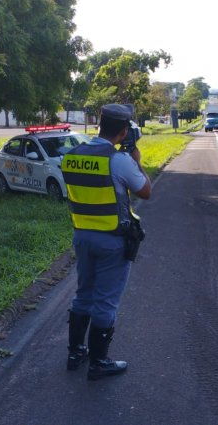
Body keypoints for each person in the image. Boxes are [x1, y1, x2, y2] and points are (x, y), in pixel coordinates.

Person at [62, 104, 152, 381]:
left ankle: (76, 352)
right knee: (105, 302)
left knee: (83, 294)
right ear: (124, 131)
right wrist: (136, 159)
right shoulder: (120, 160)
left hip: (82, 236)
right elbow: (145, 191)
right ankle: (99, 362)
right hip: (111, 240)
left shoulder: (72, 156)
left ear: (100, 125)